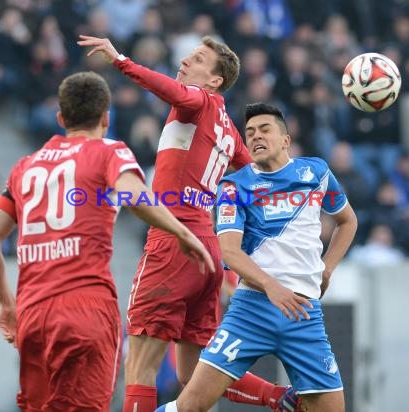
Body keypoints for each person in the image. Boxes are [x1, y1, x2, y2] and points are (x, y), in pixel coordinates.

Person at [77, 36, 298, 411]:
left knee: (139, 365)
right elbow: (255, 177)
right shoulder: (228, 128)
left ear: (214, 80)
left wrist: (121, 61)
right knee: (194, 373)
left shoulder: (199, 101)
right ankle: (279, 397)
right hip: (207, 252)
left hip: (173, 242)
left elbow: (173, 91)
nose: (184, 61)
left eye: (197, 59)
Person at [0, 71, 215, 412]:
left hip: (32, 313)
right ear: (106, 118)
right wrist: (182, 231)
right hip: (86, 309)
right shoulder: (109, 152)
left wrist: (5, 303)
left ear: (60, 118)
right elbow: (135, 196)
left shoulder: (24, 168)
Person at [157, 103, 358, 412]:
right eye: (250, 133)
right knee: (191, 405)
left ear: (286, 140)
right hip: (252, 310)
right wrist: (270, 286)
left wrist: (327, 269)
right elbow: (230, 251)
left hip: (304, 314)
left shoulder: (315, 172)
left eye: (265, 130)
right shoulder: (235, 187)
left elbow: (348, 221)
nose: (256, 137)